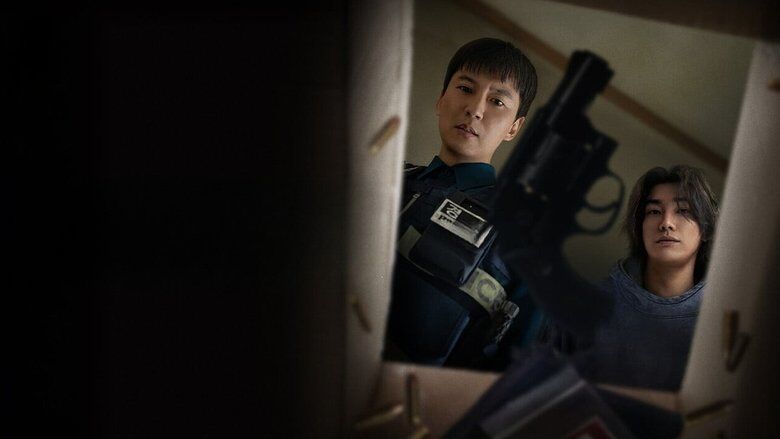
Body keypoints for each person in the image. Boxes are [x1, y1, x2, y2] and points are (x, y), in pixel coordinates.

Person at [384, 38, 542, 370]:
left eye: (497, 101)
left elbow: (516, 366)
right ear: (441, 99)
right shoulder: (385, 177)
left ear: (514, 127)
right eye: (466, 89)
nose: (476, 109)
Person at [544, 165, 719, 390]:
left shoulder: (719, 324)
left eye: (683, 210)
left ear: (706, 229)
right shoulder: (583, 307)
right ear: (639, 226)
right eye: (654, 212)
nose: (666, 223)